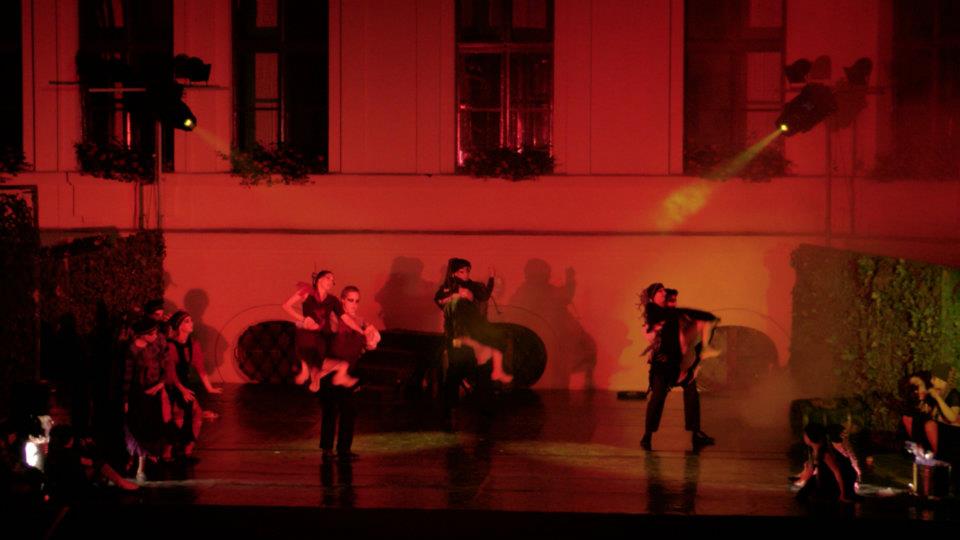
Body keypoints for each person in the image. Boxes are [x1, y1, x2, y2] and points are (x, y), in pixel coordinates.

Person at [639, 282, 719, 451]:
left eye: (664, 291)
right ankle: (647, 435)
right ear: (652, 298)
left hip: (678, 363)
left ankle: (695, 433)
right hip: (663, 366)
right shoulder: (653, 316)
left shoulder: (672, 314)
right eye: (659, 291)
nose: (663, 293)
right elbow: (652, 335)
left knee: (691, 392)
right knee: (658, 397)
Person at [318, 286, 380, 460]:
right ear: (342, 300)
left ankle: (344, 449)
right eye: (350, 300)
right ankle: (327, 449)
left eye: (357, 301)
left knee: (349, 410)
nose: (354, 304)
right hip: (331, 371)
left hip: (349, 371)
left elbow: (367, 344)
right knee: (330, 410)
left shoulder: (360, 321)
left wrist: (369, 341)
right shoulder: (335, 319)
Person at [433, 258, 512, 384]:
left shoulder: (472, 286)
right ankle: (457, 384)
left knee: (496, 342)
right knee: (458, 360)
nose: (466, 274)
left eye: (467, 271)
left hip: (473, 328)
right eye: (462, 272)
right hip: (456, 333)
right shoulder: (448, 288)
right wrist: (456, 295)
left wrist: (491, 278)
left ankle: (495, 372)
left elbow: (484, 295)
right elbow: (440, 301)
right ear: (453, 273)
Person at [166, 310, 222, 458]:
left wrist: (209, 388)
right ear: (179, 326)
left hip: (185, 384)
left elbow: (200, 367)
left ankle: (187, 450)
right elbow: (170, 371)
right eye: (187, 321)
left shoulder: (193, 344)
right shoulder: (170, 345)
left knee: (195, 415)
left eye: (191, 320)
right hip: (172, 384)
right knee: (178, 416)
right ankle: (168, 452)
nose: (191, 323)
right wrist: (181, 389)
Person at [282, 270, 344, 392]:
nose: (331, 281)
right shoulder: (306, 292)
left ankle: (314, 375)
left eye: (333, 280)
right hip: (310, 333)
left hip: (324, 333)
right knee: (308, 343)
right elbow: (286, 306)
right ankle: (308, 371)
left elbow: (341, 316)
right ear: (319, 279)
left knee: (328, 360)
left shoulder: (331, 299)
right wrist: (304, 319)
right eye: (328, 278)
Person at [795, 423, 856, 504]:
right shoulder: (814, 451)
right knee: (802, 494)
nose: (804, 437)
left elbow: (837, 472)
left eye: (805, 435)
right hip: (822, 479)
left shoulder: (825, 453)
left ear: (811, 436)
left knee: (808, 496)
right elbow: (810, 470)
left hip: (832, 482)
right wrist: (800, 480)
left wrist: (842, 494)